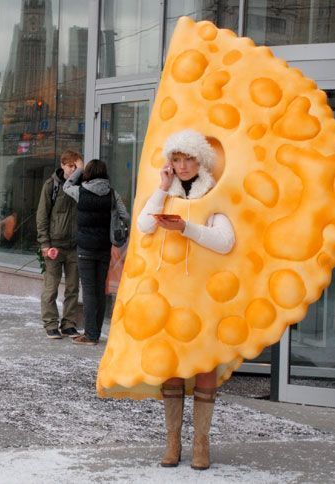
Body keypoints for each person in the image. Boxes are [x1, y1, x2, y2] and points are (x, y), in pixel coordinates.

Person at [135, 129, 235, 469]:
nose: (181, 165)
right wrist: (162, 188)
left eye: (187, 158)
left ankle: (201, 444)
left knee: (205, 365)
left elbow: (225, 241)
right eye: (175, 160)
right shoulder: (167, 191)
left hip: (204, 295)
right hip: (169, 294)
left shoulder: (215, 191)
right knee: (172, 367)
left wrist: (186, 229)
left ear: (200, 159)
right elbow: (143, 226)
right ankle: (172, 442)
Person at [63, 159, 129, 345]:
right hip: (104, 248)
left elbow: (66, 186)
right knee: (99, 291)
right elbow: (125, 216)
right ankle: (95, 333)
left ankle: (91, 335)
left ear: (88, 173)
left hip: (85, 249)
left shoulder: (81, 191)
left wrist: (79, 169)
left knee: (90, 292)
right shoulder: (112, 194)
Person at [36, 150, 82, 339]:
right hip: (54, 245)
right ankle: (50, 323)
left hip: (75, 246)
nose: (73, 169)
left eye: (77, 166)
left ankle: (69, 323)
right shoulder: (51, 185)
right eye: (70, 165)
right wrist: (45, 244)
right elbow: (42, 216)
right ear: (63, 165)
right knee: (51, 287)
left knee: (73, 287)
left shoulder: (82, 185)